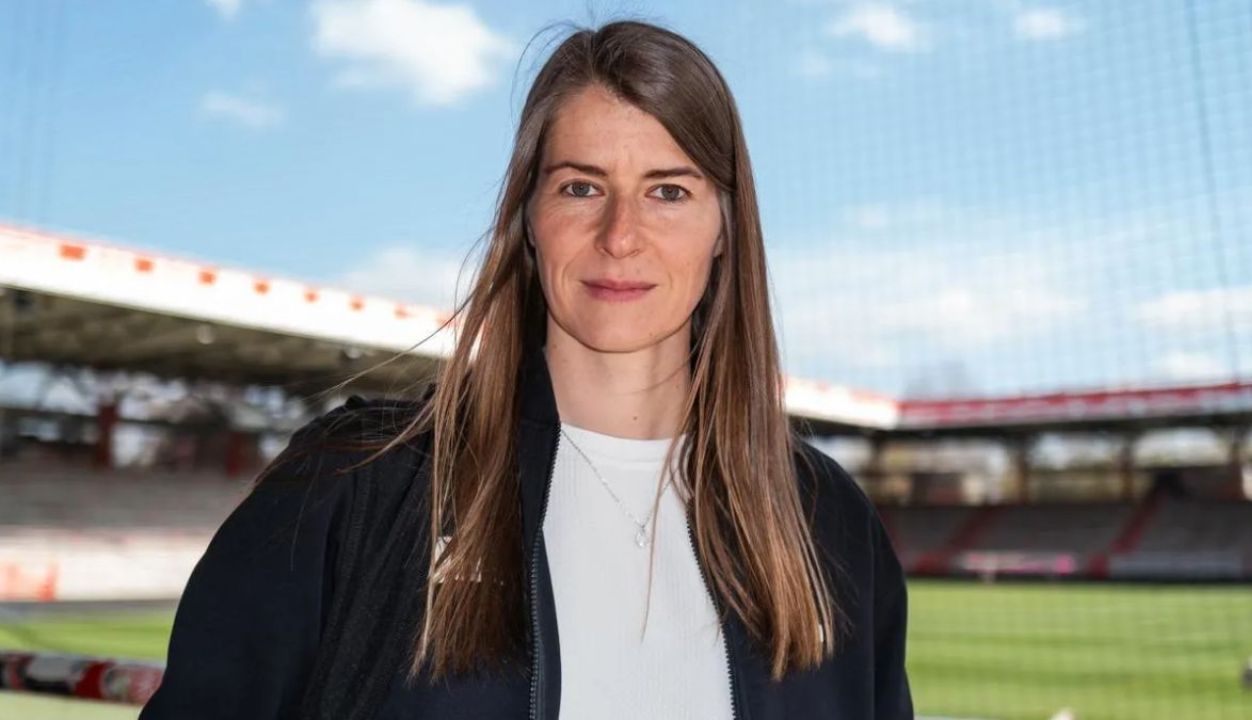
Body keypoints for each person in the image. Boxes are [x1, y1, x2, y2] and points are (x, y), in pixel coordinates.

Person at [140, 19, 913, 720]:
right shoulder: (358, 483)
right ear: (528, 221)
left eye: (669, 192)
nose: (621, 235)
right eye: (581, 187)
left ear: (724, 230)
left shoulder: (827, 523)